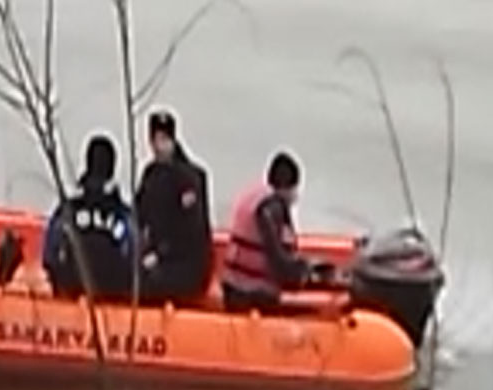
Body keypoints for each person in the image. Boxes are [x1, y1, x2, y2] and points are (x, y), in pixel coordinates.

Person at [220, 150, 328, 313]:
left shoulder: (256, 195)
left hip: (233, 287)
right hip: (252, 294)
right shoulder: (272, 208)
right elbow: (279, 264)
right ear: (288, 188)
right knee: (312, 311)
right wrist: (306, 274)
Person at [135, 109, 213, 304]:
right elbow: (138, 215)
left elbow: (191, 232)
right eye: (155, 140)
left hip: (185, 264)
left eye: (164, 139)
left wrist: (160, 254)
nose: (158, 146)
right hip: (158, 256)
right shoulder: (151, 175)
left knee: (146, 282)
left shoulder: (190, 179)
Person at [43, 133, 135, 298]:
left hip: (72, 288)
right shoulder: (122, 215)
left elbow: (50, 252)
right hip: (113, 294)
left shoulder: (67, 211)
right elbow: (134, 254)